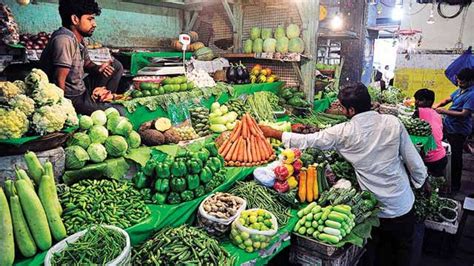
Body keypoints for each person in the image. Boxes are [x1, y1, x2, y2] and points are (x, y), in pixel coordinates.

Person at [259, 83, 428, 266]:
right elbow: (415, 163)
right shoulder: (392, 122)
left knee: (374, 253)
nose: (338, 108)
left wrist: (273, 133)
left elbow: (310, 141)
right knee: (401, 253)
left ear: (351, 109)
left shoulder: (345, 131)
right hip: (402, 203)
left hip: (374, 209)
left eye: (340, 106)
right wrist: (420, 182)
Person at [40, 0, 124, 115]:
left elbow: (87, 64)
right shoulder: (64, 40)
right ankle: (101, 107)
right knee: (120, 112)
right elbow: (59, 80)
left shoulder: (79, 39)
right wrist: (63, 111)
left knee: (116, 66)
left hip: (81, 88)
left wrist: (100, 68)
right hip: (72, 98)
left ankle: (103, 97)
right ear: (75, 19)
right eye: (90, 19)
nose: (94, 24)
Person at [433, 67, 474, 192]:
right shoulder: (460, 90)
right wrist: (437, 105)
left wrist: (443, 111)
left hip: (458, 129)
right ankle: (441, 173)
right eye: (458, 81)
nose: (459, 84)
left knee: (456, 157)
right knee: (440, 145)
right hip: (449, 124)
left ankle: (455, 185)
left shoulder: (472, 95)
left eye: (462, 82)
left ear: (471, 81)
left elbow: (464, 114)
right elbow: (448, 99)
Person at [413, 88, 447, 177]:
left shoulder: (419, 111)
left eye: (420, 100)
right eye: (415, 99)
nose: (416, 102)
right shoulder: (437, 115)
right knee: (437, 183)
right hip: (441, 156)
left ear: (429, 102)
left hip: (431, 160)